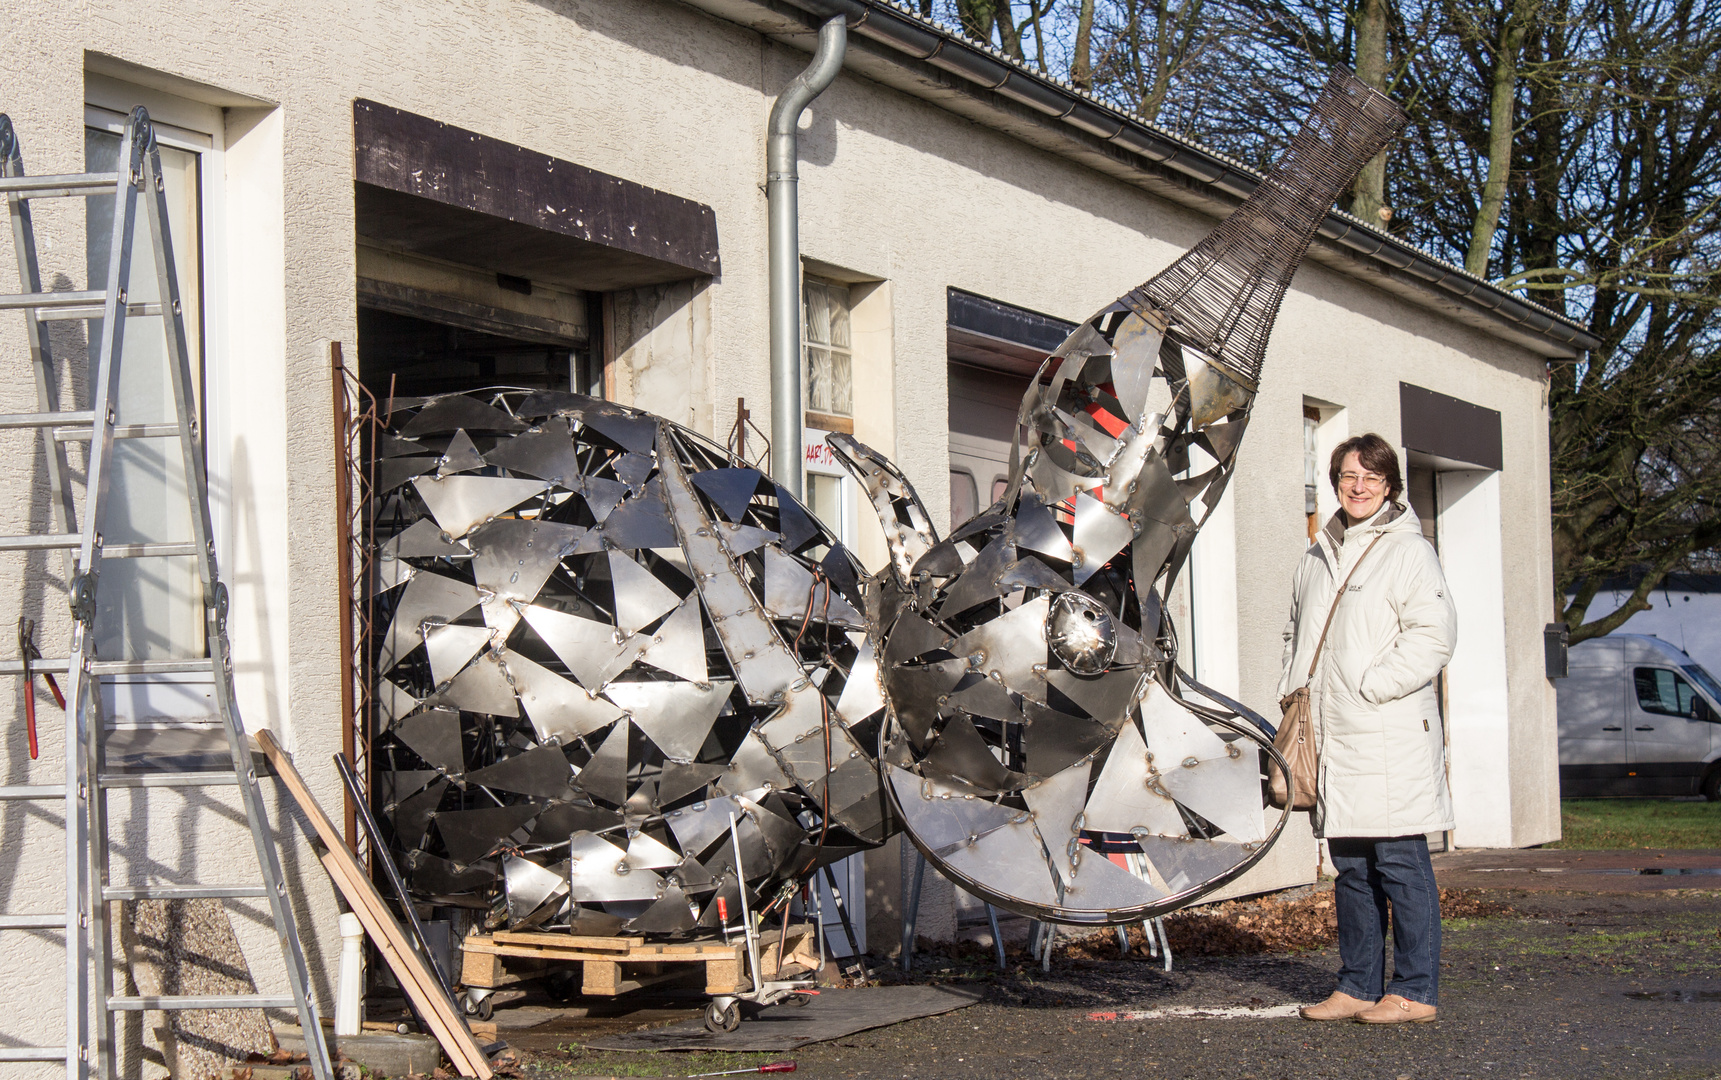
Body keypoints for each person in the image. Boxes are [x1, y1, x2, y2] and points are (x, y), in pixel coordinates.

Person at [1284, 432, 1457, 1024]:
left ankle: (1414, 992)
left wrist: (1369, 687)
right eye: (1348, 477)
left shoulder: (1408, 551)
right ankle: (1357, 986)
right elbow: (1296, 633)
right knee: (1352, 869)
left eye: (1371, 479)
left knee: (1401, 865)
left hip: (1387, 736)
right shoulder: (1316, 553)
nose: (1358, 488)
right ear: (1335, 482)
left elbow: (1433, 637)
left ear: (1389, 487)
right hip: (1334, 738)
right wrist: (1296, 690)